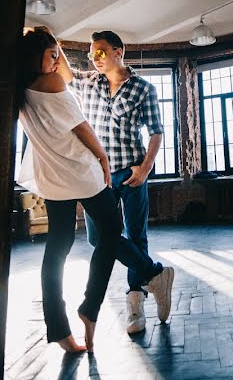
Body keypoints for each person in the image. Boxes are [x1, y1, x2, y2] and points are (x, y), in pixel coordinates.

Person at [57, 30, 175, 335]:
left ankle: (135, 303)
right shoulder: (87, 82)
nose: (94, 58)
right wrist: (50, 39)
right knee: (98, 239)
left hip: (133, 171)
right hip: (99, 175)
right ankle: (156, 276)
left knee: (137, 236)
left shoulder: (143, 89)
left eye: (100, 52)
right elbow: (64, 70)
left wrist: (146, 168)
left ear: (118, 52)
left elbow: (157, 131)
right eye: (91, 53)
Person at [17, 28, 122, 353]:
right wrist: (103, 156)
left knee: (57, 248)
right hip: (81, 172)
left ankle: (59, 330)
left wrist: (52, 44)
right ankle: (89, 307)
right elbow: (81, 125)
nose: (56, 62)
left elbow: (63, 71)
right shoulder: (49, 83)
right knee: (112, 230)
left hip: (52, 178)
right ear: (36, 57)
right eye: (50, 55)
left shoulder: (22, 89)